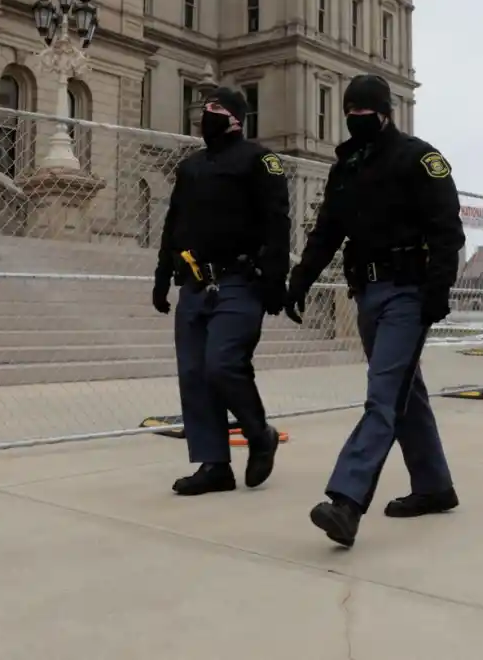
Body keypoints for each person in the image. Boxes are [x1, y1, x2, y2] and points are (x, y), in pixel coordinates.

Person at [285, 74, 465, 547]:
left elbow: (447, 229)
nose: (354, 120)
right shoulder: (346, 167)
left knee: (383, 395)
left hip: (408, 292)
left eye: (363, 112)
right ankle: (434, 486)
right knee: (407, 391)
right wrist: (300, 277)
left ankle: (346, 500)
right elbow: (327, 231)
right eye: (349, 112)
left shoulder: (419, 159)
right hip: (366, 292)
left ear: (386, 113)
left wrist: (438, 289)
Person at [152, 87, 291, 496]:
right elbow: (173, 225)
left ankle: (258, 433)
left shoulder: (259, 160)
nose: (204, 114)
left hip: (239, 280)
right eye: (202, 108)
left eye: (212, 108)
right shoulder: (190, 166)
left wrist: (275, 280)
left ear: (233, 117)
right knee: (194, 374)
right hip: (194, 281)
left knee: (223, 364)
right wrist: (162, 276)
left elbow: (278, 222)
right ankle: (214, 465)